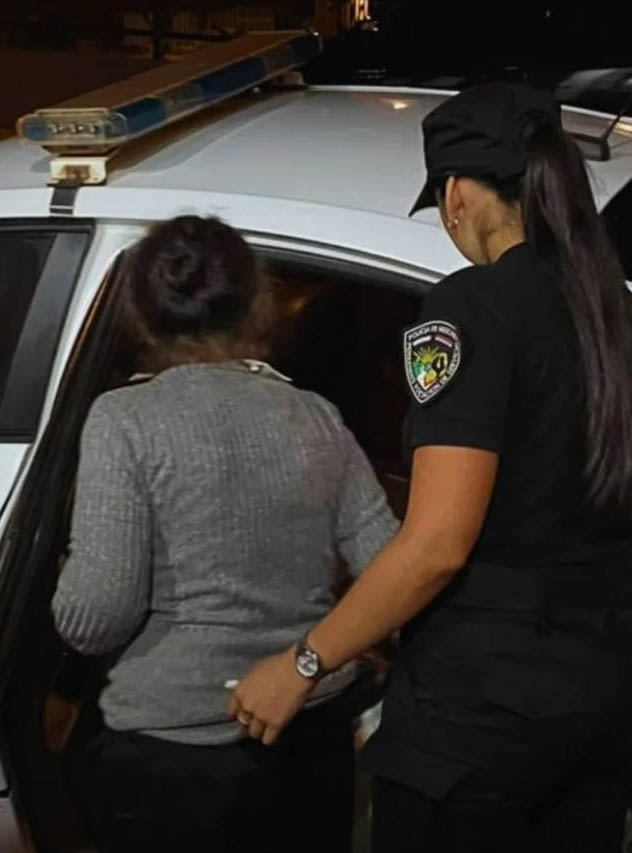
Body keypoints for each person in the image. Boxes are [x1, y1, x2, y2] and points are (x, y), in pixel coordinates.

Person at [227, 83, 632, 852]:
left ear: (457, 194)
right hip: (603, 695)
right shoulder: (610, 309)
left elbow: (438, 543)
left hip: (484, 711)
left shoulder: (471, 307)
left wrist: (304, 661)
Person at [51, 215, 398, 853]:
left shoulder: (124, 419)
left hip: (171, 757)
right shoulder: (315, 416)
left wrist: (69, 568)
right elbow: (390, 566)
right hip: (306, 739)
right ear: (257, 302)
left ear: (139, 311)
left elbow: (95, 618)